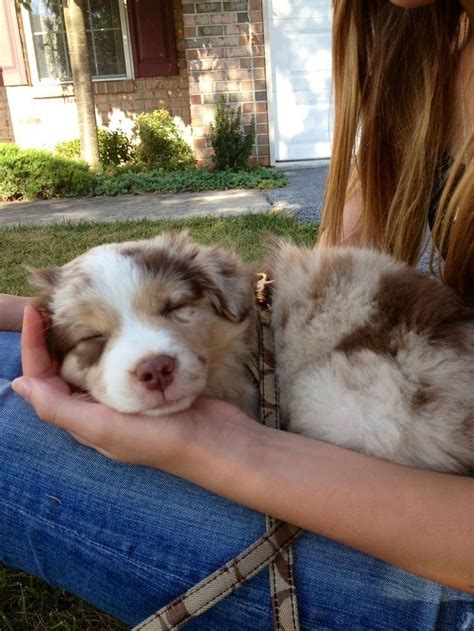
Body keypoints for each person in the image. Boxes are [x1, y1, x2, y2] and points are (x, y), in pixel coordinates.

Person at [1, 0, 473, 628]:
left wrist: (218, 443)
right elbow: (289, 282)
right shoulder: (430, 45)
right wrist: (26, 314)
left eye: (173, 308)